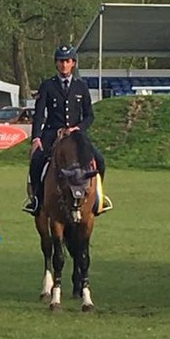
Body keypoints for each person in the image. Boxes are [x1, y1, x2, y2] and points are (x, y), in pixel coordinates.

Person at [22, 45, 112, 216]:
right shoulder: (47, 86)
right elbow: (39, 114)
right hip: (53, 132)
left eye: (67, 61)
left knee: (99, 160)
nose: (64, 65)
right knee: (37, 161)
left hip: (77, 135)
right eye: (61, 61)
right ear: (56, 63)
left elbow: (89, 116)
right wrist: (36, 138)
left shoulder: (81, 87)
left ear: (73, 63)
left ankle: (98, 198)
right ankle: (36, 200)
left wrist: (79, 128)